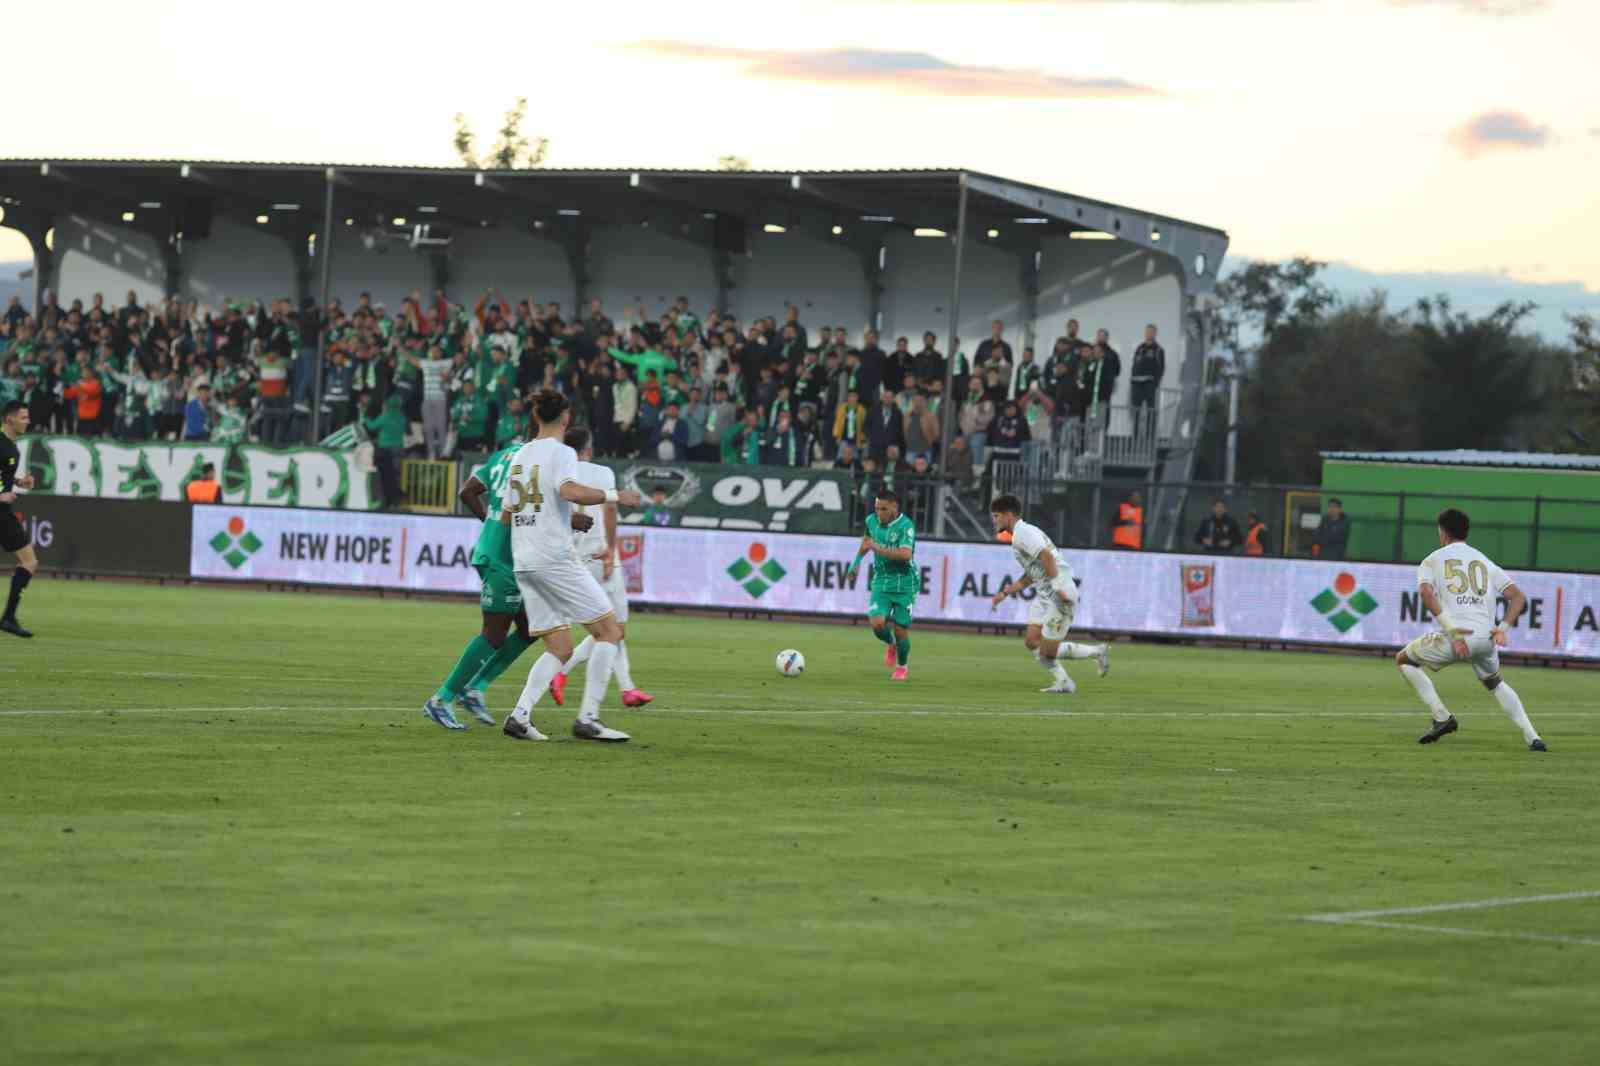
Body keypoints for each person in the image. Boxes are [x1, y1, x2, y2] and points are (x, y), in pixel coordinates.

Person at [419, 423, 590, 731]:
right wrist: (571, 520)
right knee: (493, 633)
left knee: (528, 628)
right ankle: (441, 699)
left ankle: (476, 688)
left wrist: (491, 522)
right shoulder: (535, 461)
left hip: (507, 552)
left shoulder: (503, 455)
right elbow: (538, 510)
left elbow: (467, 491)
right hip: (502, 558)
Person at [500, 389, 642, 743]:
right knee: (609, 631)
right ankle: (588, 719)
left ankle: (519, 716)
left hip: (525, 559)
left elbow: (507, 514)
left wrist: (563, 521)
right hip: (553, 558)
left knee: (560, 647)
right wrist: (615, 496)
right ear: (564, 417)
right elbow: (570, 491)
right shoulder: (562, 452)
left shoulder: (519, 455)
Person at [1398, 508, 1545, 752]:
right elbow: (1518, 597)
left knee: (1404, 660)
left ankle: (1442, 717)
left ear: (1442, 532)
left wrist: (1453, 632)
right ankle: (1533, 737)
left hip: (1458, 637)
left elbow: (1426, 593)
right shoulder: (1483, 560)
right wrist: (1503, 628)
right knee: (1495, 683)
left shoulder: (1432, 559)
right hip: (1487, 638)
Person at [548, 427, 654, 710]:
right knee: (615, 628)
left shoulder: (557, 473)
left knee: (606, 629)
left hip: (572, 559)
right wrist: (610, 551)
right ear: (588, 448)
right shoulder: (602, 472)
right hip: (599, 555)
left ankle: (620, 686)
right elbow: (609, 510)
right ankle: (622, 688)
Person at [988, 494, 1109, 693]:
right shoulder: (1020, 535)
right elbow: (1032, 573)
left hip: (1059, 593)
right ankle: (1064, 682)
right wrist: (1006, 592)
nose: (994, 521)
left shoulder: (1023, 533)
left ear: (1009, 515)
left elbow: (1047, 556)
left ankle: (1097, 651)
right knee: (1032, 640)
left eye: (996, 516)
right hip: (1046, 595)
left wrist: (1057, 586)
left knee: (1047, 652)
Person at [844, 489, 918, 682]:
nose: (879, 513)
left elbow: (905, 554)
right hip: (882, 580)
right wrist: (855, 564)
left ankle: (902, 667)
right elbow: (866, 542)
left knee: (901, 628)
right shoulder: (871, 521)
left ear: (894, 507)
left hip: (905, 583)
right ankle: (891, 643)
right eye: (877, 508)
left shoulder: (905, 526)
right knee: (877, 624)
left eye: (883, 509)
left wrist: (877, 548)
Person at [0, 401, 40, 637]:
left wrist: (19, 483)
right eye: (23, 417)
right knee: (29, 562)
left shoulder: (12, 448)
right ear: (9, 419)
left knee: (29, 561)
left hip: (3, 511)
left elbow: (2, 474)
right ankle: (8, 618)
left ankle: (8, 617)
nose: (28, 421)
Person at [1130, 324, 1165, 414]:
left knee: (1151, 410)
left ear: (1155, 333)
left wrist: (1155, 383)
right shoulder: (1139, 348)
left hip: (1149, 385)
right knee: (1136, 411)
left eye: (1151, 332)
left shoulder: (1158, 350)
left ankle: (1151, 428)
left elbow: (1161, 369)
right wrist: (1133, 380)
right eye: (1147, 331)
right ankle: (1136, 428)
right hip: (1137, 384)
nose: (1149, 333)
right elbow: (1134, 364)